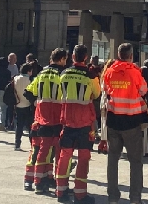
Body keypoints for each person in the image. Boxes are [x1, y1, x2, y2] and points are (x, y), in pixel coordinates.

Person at [103, 43, 148, 204]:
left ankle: (113, 197)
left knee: (113, 159)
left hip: (113, 120)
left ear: (118, 54)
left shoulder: (109, 71)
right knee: (135, 162)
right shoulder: (135, 72)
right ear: (131, 56)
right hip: (131, 121)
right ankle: (135, 199)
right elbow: (144, 90)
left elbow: (106, 90)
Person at [55, 45, 101, 204]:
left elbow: (61, 93)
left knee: (64, 156)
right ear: (86, 57)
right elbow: (97, 93)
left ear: (72, 57)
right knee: (83, 157)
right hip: (85, 122)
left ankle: (60, 191)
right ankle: (80, 194)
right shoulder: (90, 74)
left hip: (67, 120)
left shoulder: (64, 73)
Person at [22, 48, 66, 194]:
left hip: (40, 117)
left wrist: (36, 102)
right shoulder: (62, 74)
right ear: (61, 60)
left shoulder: (41, 73)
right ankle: (51, 182)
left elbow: (27, 92)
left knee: (41, 150)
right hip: (57, 118)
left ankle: (40, 181)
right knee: (55, 151)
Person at [13, 63, 33, 151]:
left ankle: (17, 144)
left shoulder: (15, 78)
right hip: (28, 105)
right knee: (30, 126)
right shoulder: (29, 80)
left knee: (19, 125)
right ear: (28, 71)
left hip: (18, 104)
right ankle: (32, 144)